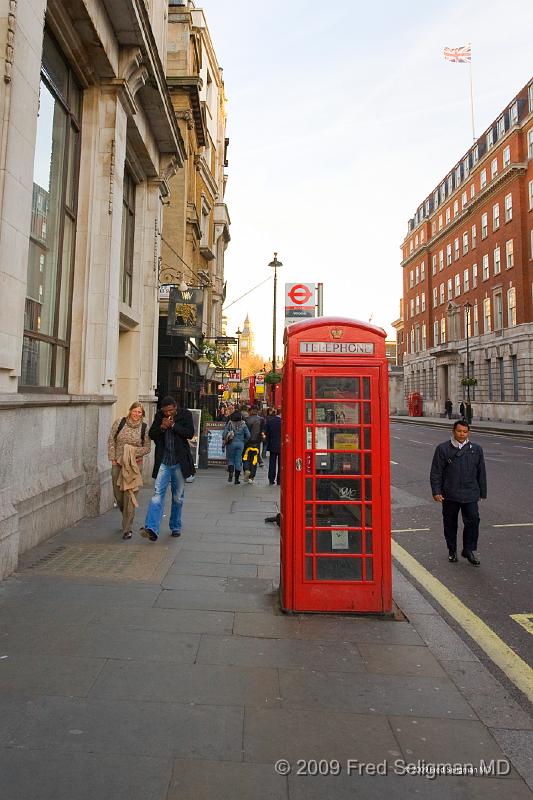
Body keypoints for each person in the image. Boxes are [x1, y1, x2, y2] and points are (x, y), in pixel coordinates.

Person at [430, 420, 487, 566]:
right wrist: (436, 491)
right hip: (450, 493)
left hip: (470, 492)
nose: (462, 434)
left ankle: (468, 549)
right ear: (453, 431)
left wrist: (482, 492)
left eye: (465, 432)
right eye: (459, 431)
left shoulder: (476, 449)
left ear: (468, 433)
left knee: (474, 521)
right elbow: (436, 472)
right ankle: (452, 551)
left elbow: (481, 472)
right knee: (450, 523)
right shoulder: (442, 449)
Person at [140, 396, 194, 541]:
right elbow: (152, 434)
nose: (168, 413)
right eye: (165, 411)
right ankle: (152, 528)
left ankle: (175, 526)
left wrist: (173, 426)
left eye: (170, 410)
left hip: (179, 462)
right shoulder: (159, 416)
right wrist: (162, 427)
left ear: (175, 407)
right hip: (163, 462)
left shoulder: (185, 415)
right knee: (157, 495)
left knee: (177, 497)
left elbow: (189, 433)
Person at [108, 402, 151, 539]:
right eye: (135, 411)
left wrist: (132, 451)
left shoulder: (144, 428)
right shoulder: (119, 423)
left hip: (134, 466)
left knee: (130, 496)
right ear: (130, 410)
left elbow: (147, 448)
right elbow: (111, 440)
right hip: (118, 464)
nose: (137, 414)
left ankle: (128, 528)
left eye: (140, 412)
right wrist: (113, 458)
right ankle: (125, 514)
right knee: (119, 495)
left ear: (142, 414)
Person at [223, 409, 250, 484]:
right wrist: (243, 441)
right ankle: (236, 480)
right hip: (240, 444)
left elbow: (224, 434)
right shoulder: (243, 424)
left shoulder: (230, 423)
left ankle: (230, 475)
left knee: (231, 460)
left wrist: (225, 439)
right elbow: (248, 435)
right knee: (238, 461)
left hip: (231, 443)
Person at [265, 407, 282, 486]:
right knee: (281, 463)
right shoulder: (284, 422)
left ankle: (271, 479)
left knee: (272, 462)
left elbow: (266, 433)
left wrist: (267, 442)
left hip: (272, 444)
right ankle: (280, 479)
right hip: (282, 446)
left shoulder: (270, 421)